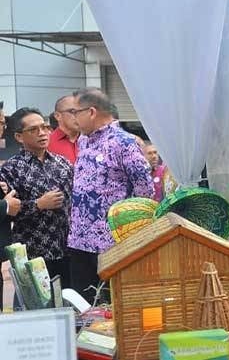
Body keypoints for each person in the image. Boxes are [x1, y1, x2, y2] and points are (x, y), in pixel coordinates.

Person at [66, 88, 154, 297]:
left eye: (75, 112)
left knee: (111, 304)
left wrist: (130, 230)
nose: (73, 118)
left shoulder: (123, 142)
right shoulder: (83, 140)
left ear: (92, 112)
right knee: (84, 304)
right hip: (80, 238)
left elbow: (145, 190)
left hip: (111, 241)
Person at [0, 108, 73, 285]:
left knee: (69, 304)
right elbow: (8, 209)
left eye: (45, 127)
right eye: (33, 130)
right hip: (33, 254)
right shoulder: (10, 169)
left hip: (67, 249)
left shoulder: (63, 164)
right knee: (34, 307)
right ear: (19, 137)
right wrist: (38, 204)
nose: (42, 133)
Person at [48, 95, 80, 164]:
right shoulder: (47, 144)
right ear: (57, 116)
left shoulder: (91, 141)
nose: (79, 116)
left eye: (81, 111)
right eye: (73, 111)